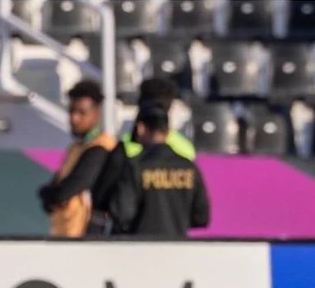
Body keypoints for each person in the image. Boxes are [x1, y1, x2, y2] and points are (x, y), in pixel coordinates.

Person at [89, 77, 195, 234]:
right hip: (175, 240)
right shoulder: (185, 149)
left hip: (133, 241)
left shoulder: (125, 147)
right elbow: (195, 211)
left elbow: (102, 199)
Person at [109, 103, 210, 237]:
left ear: (141, 128)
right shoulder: (189, 167)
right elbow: (201, 217)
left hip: (142, 248)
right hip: (179, 248)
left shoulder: (136, 166)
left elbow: (122, 213)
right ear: (167, 131)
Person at [38, 80, 116, 238]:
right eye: (72, 111)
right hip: (65, 233)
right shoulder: (76, 149)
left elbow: (70, 187)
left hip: (83, 236)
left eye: (82, 113)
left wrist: (49, 194)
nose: (74, 118)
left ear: (96, 113)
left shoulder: (101, 148)